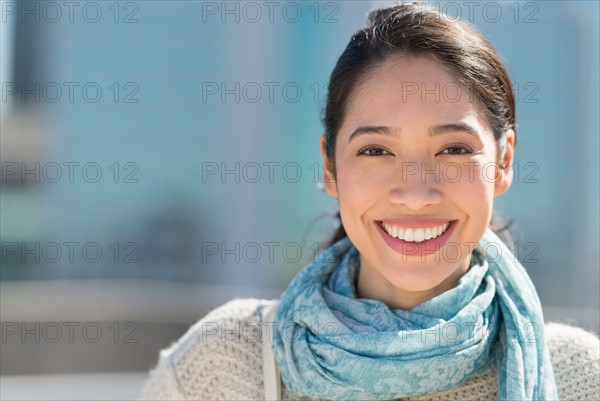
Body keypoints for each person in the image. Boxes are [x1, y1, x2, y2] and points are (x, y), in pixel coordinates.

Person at [140, 3, 599, 400]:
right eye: (376, 150)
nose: (416, 194)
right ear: (329, 166)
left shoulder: (577, 376)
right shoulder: (226, 362)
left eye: (454, 149)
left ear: (503, 162)